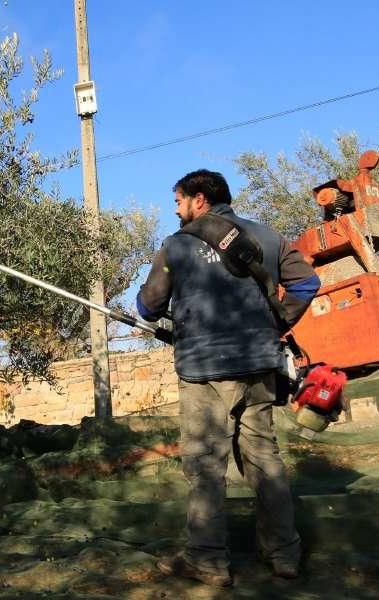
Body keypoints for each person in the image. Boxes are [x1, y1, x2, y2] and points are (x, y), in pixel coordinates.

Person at [136, 169, 320, 587]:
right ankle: (284, 554)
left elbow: (149, 307)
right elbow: (307, 283)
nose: (176, 208)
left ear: (199, 200)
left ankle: (207, 561)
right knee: (264, 457)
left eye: (179, 199)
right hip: (259, 365)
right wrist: (278, 320)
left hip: (203, 372)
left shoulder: (176, 246)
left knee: (205, 465)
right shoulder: (267, 237)